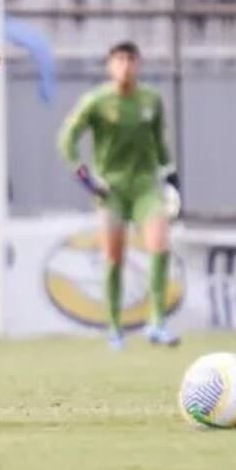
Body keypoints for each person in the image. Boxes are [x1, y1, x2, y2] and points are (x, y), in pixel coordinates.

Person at [57, 41, 182, 351]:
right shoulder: (97, 101)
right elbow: (67, 139)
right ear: (110, 66)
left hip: (145, 186)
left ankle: (156, 322)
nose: (125, 65)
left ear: (138, 64)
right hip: (110, 188)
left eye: (131, 59)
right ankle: (114, 327)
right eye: (119, 59)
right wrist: (83, 175)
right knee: (114, 257)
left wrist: (171, 176)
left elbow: (161, 144)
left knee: (160, 244)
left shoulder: (151, 100)